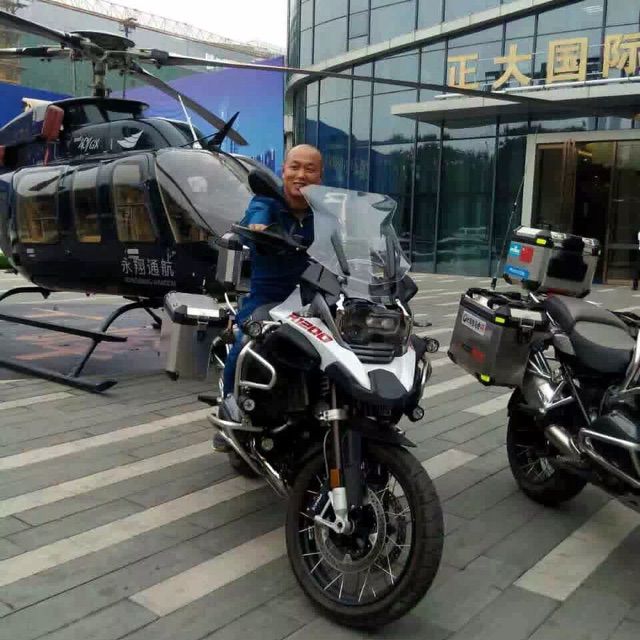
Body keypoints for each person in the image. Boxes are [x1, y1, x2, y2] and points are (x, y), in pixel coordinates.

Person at [214, 144, 323, 452]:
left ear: (320, 176)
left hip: (314, 299)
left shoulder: (325, 211)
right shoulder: (267, 202)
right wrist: (258, 227)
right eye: (294, 167)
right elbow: (256, 215)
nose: (301, 175)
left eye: (310, 169)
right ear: (283, 171)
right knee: (244, 344)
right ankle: (228, 411)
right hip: (267, 299)